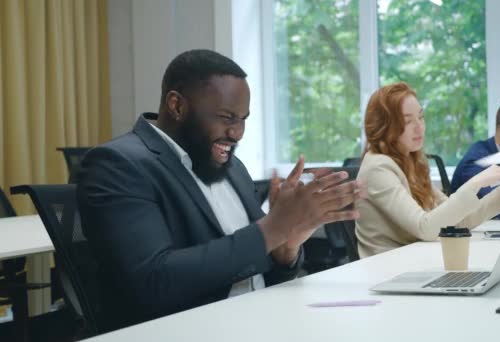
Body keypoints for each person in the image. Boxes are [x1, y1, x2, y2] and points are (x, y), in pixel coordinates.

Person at [75, 49, 363, 331]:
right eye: (227, 117)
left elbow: (258, 270)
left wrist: (285, 249)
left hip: (261, 321)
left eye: (243, 119)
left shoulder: (232, 167)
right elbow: (152, 282)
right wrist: (273, 229)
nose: (237, 132)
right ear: (177, 106)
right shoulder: (118, 164)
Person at [354, 82, 500, 258]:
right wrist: (477, 182)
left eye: (421, 117)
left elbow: (458, 221)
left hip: (412, 262)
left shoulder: (410, 161)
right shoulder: (378, 168)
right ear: (384, 126)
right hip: (386, 271)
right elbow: (424, 227)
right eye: (407, 121)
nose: (419, 127)